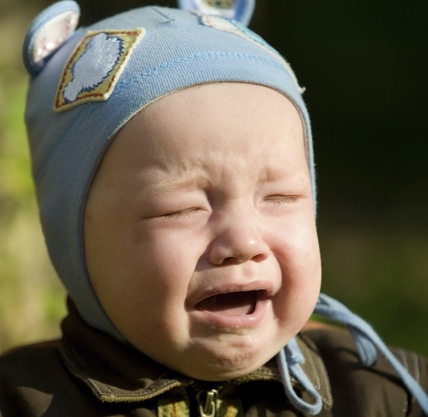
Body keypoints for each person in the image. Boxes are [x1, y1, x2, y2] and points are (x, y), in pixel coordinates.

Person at [0, 0, 427, 415]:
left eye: (280, 198)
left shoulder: (386, 392)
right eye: (180, 209)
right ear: (73, 238)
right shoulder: (24, 401)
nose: (244, 242)